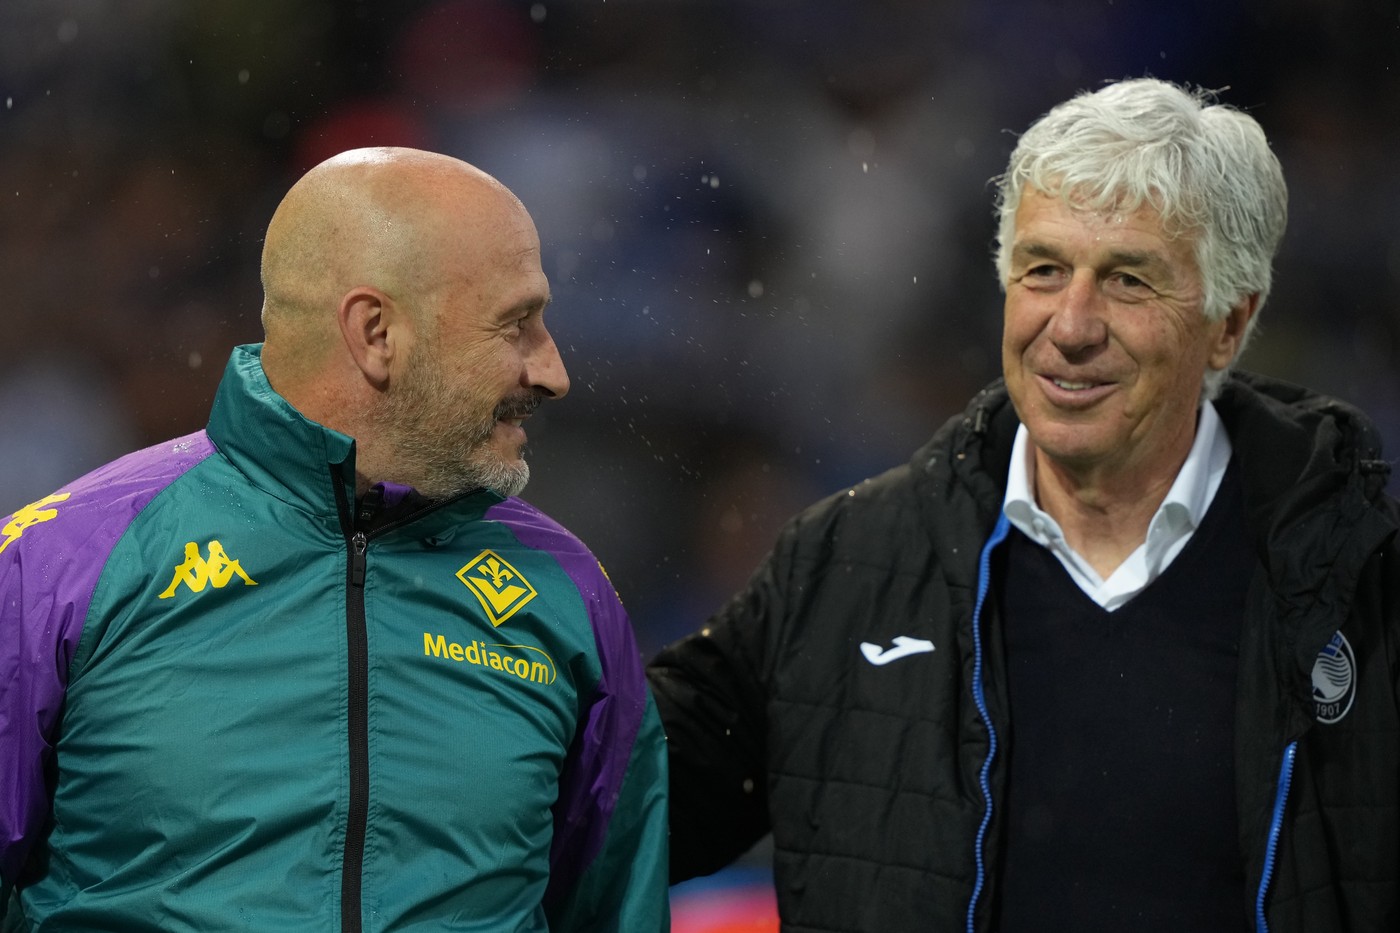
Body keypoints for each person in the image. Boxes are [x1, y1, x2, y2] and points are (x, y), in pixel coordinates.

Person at [647, 78, 1400, 931]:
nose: (1070, 324)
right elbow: (613, 807)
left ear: (1230, 322)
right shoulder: (843, 562)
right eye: (1043, 270)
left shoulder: (1363, 586)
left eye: (1127, 279)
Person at [0, 147, 669, 931]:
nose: (552, 370)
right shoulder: (59, 567)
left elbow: (615, 910)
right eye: (516, 325)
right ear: (376, 331)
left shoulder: (570, 593)